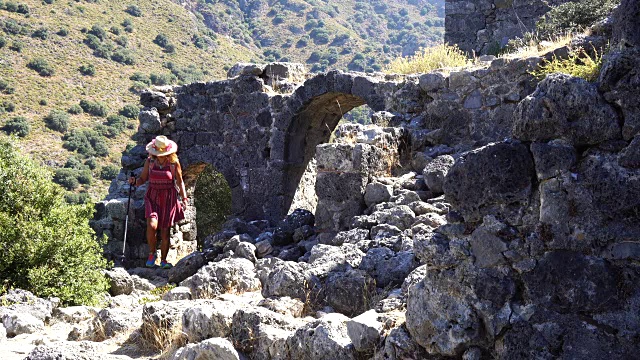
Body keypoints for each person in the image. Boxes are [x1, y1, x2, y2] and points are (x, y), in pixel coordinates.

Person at [128, 135, 187, 269]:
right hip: (152, 196)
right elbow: (143, 179)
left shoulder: (173, 163)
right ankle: (151, 253)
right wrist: (135, 182)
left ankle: (164, 261)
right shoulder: (150, 162)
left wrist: (184, 199)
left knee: (165, 231)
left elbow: (180, 181)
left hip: (168, 198)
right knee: (152, 225)